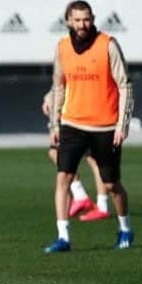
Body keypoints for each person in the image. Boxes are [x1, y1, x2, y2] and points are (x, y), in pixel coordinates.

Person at [45, 0, 134, 253]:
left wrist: (122, 124)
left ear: (93, 19)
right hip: (72, 123)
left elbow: (124, 84)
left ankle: (125, 228)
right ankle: (63, 237)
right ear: (68, 21)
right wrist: (55, 123)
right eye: (77, 20)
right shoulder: (62, 48)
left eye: (87, 19)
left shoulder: (108, 44)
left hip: (105, 126)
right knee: (63, 177)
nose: (82, 24)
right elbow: (58, 86)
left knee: (110, 185)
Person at [42, 90, 110, 221]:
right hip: (76, 112)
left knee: (93, 160)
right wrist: (49, 98)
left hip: (80, 113)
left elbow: (66, 82)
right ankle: (85, 198)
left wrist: (50, 99)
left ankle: (96, 204)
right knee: (57, 152)